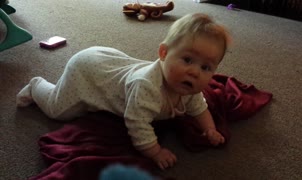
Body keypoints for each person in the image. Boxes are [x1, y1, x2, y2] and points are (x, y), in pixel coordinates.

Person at [16, 13, 231, 170]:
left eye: (206, 67)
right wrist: (155, 151)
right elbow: (137, 124)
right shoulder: (147, 87)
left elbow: (199, 108)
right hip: (88, 72)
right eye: (187, 60)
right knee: (59, 111)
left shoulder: (189, 87)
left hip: (110, 63)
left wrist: (209, 129)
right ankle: (37, 86)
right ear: (164, 53)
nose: (194, 72)